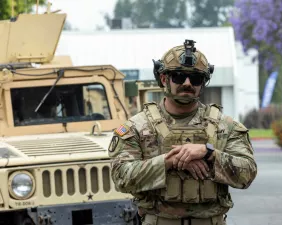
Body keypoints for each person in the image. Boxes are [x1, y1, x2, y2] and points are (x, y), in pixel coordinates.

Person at [108, 39, 257, 225]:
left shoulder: (225, 127)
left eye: (195, 79)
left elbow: (247, 174)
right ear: (164, 79)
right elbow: (121, 178)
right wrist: (170, 161)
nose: (187, 83)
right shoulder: (136, 127)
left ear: (202, 84)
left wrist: (208, 153)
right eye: (179, 76)